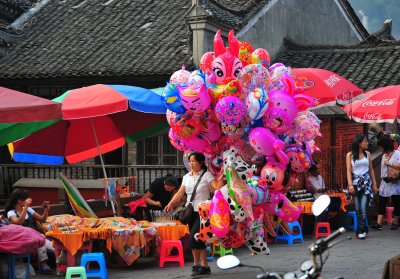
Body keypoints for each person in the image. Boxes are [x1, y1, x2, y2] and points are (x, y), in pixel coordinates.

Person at [164, 152, 224, 277]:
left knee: (193, 238)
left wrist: (223, 176)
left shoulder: (207, 175)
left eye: (194, 161)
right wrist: (170, 204)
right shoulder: (186, 177)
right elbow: (180, 193)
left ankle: (196, 265)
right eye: (190, 161)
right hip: (190, 212)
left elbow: (217, 187)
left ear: (201, 162)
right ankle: (205, 266)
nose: (191, 163)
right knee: (200, 240)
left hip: (203, 213)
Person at [4, 188, 54, 273]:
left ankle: (60, 265)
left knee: (54, 247)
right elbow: (19, 222)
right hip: (23, 238)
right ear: (19, 200)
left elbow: (42, 219)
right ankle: (43, 264)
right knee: (39, 238)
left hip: (36, 237)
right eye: (26, 198)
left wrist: (46, 210)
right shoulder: (11, 212)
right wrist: (26, 207)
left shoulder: (28, 209)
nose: (29, 200)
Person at [346, 134, 378, 239]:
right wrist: (350, 185)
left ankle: (359, 231)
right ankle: (364, 228)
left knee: (363, 209)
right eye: (365, 141)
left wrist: (374, 184)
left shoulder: (368, 154)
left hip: (366, 184)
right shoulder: (349, 155)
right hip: (355, 184)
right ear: (359, 143)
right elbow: (348, 171)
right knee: (358, 210)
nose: (367, 143)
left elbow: (371, 169)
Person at [370, 136, 400, 230]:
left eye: (380, 146)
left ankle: (395, 222)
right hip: (385, 181)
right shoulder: (383, 155)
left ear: (385, 146)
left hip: (395, 182)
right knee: (382, 201)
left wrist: (390, 164)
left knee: (396, 202)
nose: (379, 148)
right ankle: (379, 223)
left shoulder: (397, 154)